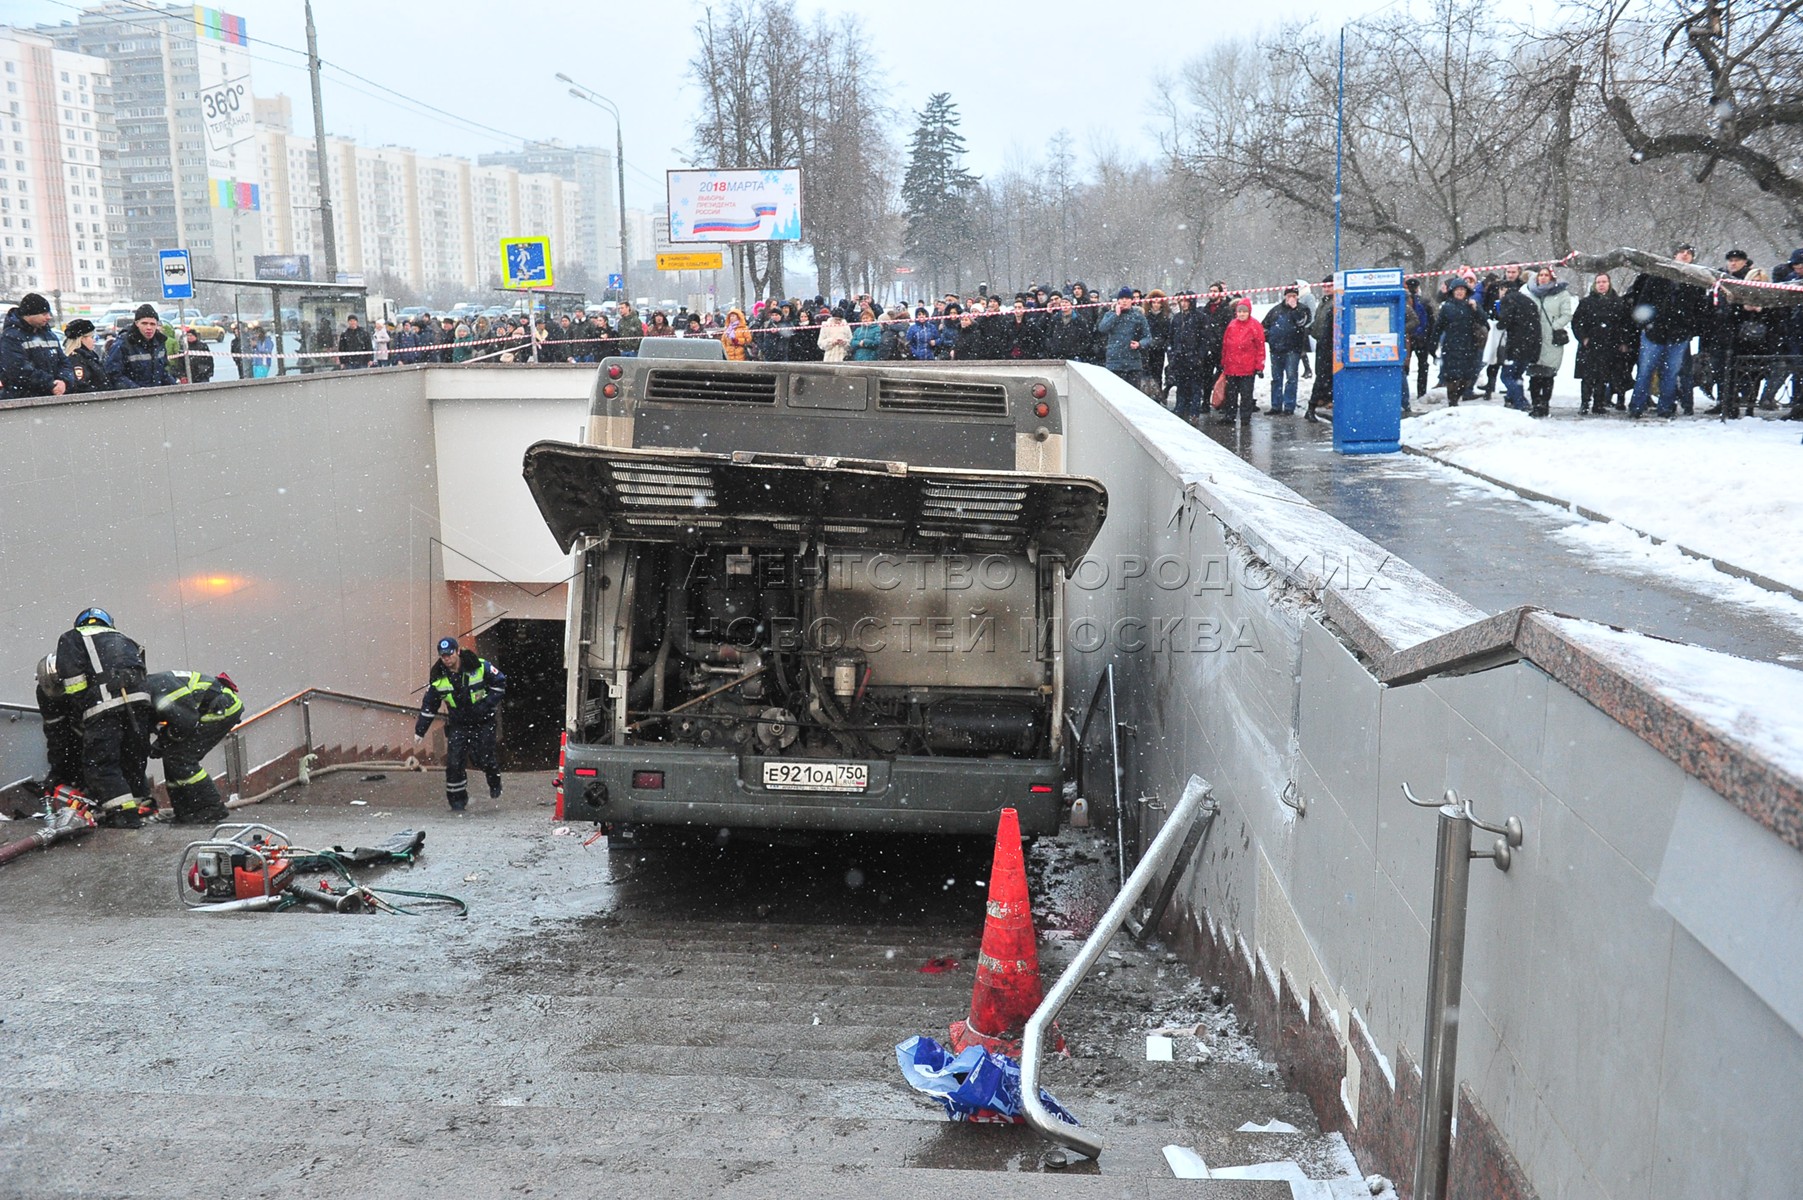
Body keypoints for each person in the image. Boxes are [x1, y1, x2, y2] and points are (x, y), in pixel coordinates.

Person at [53, 608, 154, 826]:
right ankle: (137, 808)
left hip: (104, 705)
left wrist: (82, 709)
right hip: (140, 705)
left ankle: (123, 816)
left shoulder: (73, 637)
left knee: (101, 763)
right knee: (131, 759)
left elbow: (73, 681)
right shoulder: (126, 640)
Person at [415, 637, 505, 811]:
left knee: (484, 758)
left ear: (457, 651)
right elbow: (429, 706)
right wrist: (420, 730)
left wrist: (486, 705)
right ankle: (457, 800)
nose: (446, 659)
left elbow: (499, 683)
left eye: (449, 654)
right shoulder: (438, 677)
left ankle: (494, 780)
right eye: (443, 656)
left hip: (483, 722)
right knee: (454, 763)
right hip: (458, 725)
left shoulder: (479, 667)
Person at [145, 669, 240, 824]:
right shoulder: (153, 687)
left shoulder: (158, 691)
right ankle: (184, 811)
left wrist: (162, 741)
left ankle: (212, 808)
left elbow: (185, 722)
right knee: (171, 758)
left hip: (221, 708)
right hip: (211, 708)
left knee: (181, 758)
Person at [1627, 243, 1711, 418]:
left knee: (1671, 373)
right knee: (1645, 371)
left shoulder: (1695, 280)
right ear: (1674, 255)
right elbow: (1643, 301)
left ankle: (1665, 407)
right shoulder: (1659, 275)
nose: (1685, 255)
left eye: (1689, 253)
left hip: (1679, 335)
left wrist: (1690, 329)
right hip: (1654, 333)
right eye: (1681, 252)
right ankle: (1636, 406)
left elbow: (1700, 309)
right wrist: (1646, 324)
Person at [1571, 273, 1633, 415]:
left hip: (1610, 344)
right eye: (1598, 282)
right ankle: (1585, 402)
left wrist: (1624, 341)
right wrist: (1583, 338)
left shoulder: (1618, 303)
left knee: (1603, 376)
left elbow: (1625, 324)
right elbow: (1577, 322)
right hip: (1590, 344)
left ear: (1609, 283)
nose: (1601, 285)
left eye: (1604, 282)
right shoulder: (1586, 302)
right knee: (1587, 376)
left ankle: (1599, 404)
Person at [1521, 266, 1575, 418]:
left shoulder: (1561, 294)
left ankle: (1544, 404)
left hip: (1551, 339)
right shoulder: (1529, 293)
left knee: (1547, 374)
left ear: (1552, 278)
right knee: (1534, 374)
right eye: (1541, 275)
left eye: (1546, 275)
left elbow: (1566, 314)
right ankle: (1536, 404)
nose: (1543, 277)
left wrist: (1554, 326)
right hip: (1533, 338)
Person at [2, 292, 76, 399]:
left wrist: (63, 381)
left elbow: (65, 363)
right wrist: (51, 384)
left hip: (51, 396)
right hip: (24, 398)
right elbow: (17, 370)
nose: (49, 317)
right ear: (30, 315)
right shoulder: (11, 337)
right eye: (44, 314)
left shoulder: (50, 335)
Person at [35, 653, 85, 792]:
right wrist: (56, 770)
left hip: (93, 732)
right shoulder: (44, 694)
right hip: (75, 732)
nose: (54, 691)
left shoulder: (81, 689)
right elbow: (55, 733)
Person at [1432, 278, 1485, 406]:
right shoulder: (1447, 307)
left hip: (1469, 345)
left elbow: (1484, 320)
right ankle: (1452, 401)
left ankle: (1459, 395)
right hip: (1451, 345)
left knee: (1467, 375)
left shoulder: (1471, 305)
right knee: (1452, 376)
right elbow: (1438, 327)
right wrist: (1433, 344)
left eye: (1462, 289)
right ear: (1452, 291)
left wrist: (1476, 309)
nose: (1460, 292)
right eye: (1457, 290)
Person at [1494, 274, 1540, 411]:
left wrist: (1498, 324)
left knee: (1506, 376)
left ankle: (1521, 402)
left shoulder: (1508, 300)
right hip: (1530, 345)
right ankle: (1512, 400)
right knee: (1517, 375)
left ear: (1503, 289)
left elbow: (1505, 321)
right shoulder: (1529, 301)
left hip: (1515, 345)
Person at [1261, 288, 1311, 415]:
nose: (1291, 298)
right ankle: (1276, 405)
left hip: (1293, 349)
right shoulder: (1276, 310)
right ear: (1285, 296)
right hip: (1276, 349)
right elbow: (1264, 325)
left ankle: (1289, 406)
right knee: (1276, 379)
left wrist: (1295, 309)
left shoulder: (1303, 309)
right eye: (1289, 296)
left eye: (1294, 295)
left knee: (1291, 378)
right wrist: (1270, 338)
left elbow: (1302, 322)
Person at [1217, 298, 1267, 423]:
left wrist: (1259, 366)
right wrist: (1223, 362)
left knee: (1246, 394)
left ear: (1249, 312)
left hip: (1247, 368)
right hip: (1231, 367)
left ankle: (1245, 417)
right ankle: (1230, 415)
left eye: (1244, 311)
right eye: (1239, 311)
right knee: (1231, 394)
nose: (1242, 314)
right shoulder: (1232, 325)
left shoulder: (1255, 326)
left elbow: (1260, 347)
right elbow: (1225, 345)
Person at [105, 305, 178, 389]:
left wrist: (175, 388)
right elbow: (114, 374)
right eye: (144, 323)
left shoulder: (159, 343)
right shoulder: (122, 344)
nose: (149, 327)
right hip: (132, 395)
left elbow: (163, 372)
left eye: (152, 324)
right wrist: (137, 390)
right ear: (137, 324)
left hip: (155, 394)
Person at [1097, 287, 1151, 387]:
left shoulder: (1138, 316)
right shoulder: (1109, 314)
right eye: (1122, 299)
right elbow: (1102, 328)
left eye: (1127, 298)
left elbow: (1147, 337)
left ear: (1132, 300)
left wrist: (1139, 344)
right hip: (1114, 363)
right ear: (1118, 301)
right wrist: (1116, 315)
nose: (1124, 301)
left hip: (1133, 363)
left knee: (1133, 394)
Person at [1168, 293, 1209, 421]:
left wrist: (1200, 356)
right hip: (1179, 357)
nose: (1184, 304)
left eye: (1186, 301)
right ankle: (1180, 409)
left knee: (1195, 387)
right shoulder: (1177, 318)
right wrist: (1172, 354)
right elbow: (1171, 338)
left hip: (1194, 358)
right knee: (1181, 385)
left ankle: (1194, 412)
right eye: (1182, 301)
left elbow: (1204, 339)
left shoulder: (1200, 317)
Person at [1304, 276, 1336, 423]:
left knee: (1324, 376)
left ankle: (1313, 405)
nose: (1326, 289)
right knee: (1321, 374)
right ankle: (1322, 399)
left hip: (1331, 345)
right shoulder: (1323, 302)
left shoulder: (1336, 302)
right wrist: (1310, 329)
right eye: (1324, 287)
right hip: (1321, 343)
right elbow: (1318, 321)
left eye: (1329, 286)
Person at [1403, 279, 1435, 401]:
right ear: (1417, 288)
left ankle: (1404, 392)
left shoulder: (1404, 300)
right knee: (1423, 365)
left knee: (1405, 366)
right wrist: (1429, 337)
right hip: (1422, 339)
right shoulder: (1424, 302)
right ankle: (1421, 392)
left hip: (1408, 338)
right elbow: (1431, 322)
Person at [62, 318, 110, 393]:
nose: (94, 340)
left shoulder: (90, 356)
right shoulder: (76, 359)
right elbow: (81, 386)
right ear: (82, 339)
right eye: (92, 337)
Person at [1140, 291, 1172, 400]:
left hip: (1159, 350)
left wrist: (1161, 343)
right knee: (1145, 375)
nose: (1156, 305)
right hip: (1146, 350)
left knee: (1157, 374)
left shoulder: (1166, 317)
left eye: (1158, 303)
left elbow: (1168, 335)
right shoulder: (1145, 317)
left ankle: (1157, 397)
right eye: (1154, 302)